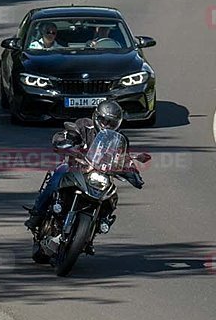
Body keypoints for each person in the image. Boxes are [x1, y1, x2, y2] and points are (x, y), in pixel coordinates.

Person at [24, 99, 142, 236]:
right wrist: (65, 140)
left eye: (111, 123)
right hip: (76, 167)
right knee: (58, 174)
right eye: (104, 120)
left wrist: (133, 172)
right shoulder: (84, 125)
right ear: (96, 117)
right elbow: (68, 133)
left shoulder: (120, 139)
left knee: (112, 195)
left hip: (100, 176)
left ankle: (102, 221)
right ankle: (37, 214)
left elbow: (124, 158)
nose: (107, 125)